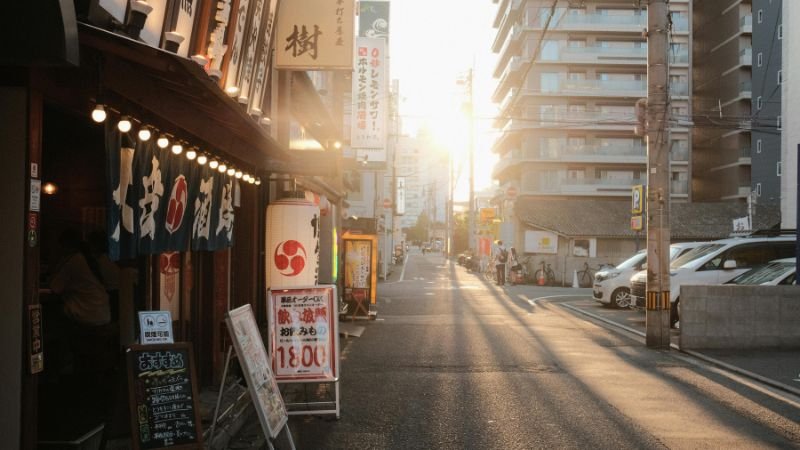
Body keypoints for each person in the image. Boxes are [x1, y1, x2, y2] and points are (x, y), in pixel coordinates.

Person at [49, 229, 111, 327]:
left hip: (87, 315)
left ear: (64, 246)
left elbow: (55, 288)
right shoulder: (88, 259)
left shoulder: (73, 261)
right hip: (103, 313)